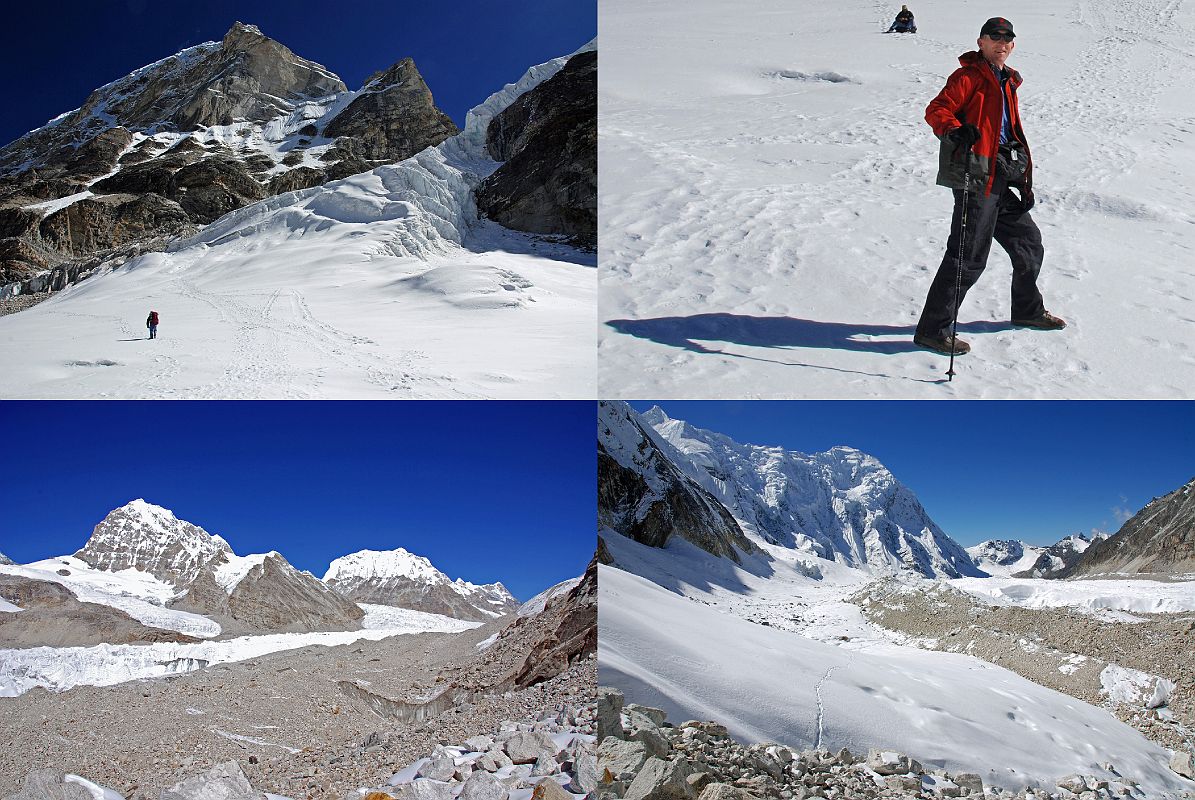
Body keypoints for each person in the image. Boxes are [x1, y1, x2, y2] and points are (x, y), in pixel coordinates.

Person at [913, 17, 1065, 356]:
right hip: (975, 174)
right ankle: (933, 330)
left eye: (1007, 38)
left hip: (1002, 175)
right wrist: (955, 130)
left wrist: (1023, 182)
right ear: (981, 42)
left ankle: (1027, 310)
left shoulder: (1008, 81)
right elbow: (937, 109)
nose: (1001, 43)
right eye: (994, 37)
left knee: (1028, 242)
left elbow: (1009, 132)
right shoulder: (968, 76)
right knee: (968, 256)